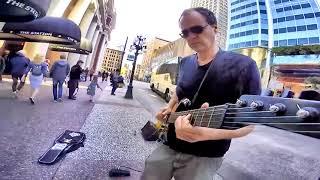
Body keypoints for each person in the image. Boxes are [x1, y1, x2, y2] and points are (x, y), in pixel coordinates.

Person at [141, 7, 261, 180]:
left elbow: (249, 125)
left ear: (215, 28)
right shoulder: (185, 63)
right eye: (185, 33)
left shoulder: (244, 65)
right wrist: (168, 109)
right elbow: (179, 93)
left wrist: (205, 134)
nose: (191, 36)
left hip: (205, 155)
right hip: (168, 144)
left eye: (197, 29)